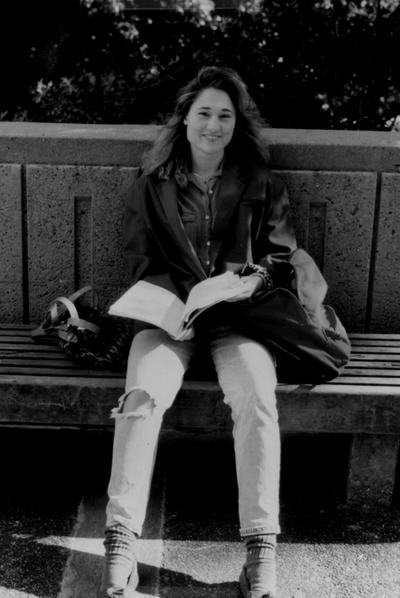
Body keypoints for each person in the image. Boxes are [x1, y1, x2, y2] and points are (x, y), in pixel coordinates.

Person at [99, 65, 299, 598]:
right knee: (141, 394)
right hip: (172, 324)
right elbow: (142, 264)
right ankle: (120, 541)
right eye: (204, 112)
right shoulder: (151, 187)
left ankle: (261, 551)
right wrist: (175, 304)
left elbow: (281, 260)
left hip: (239, 322)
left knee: (258, 395)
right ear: (185, 118)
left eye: (225, 115)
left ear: (237, 125)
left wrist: (244, 284)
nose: (213, 124)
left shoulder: (261, 183)